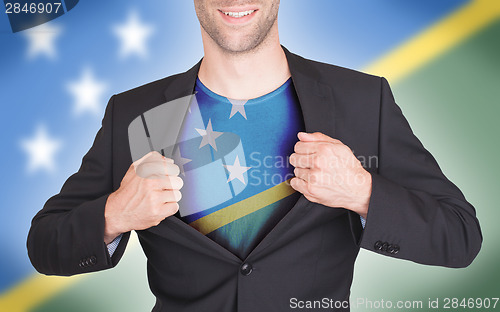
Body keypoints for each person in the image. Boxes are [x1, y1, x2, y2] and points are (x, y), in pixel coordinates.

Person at [27, 1, 482, 311]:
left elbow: (460, 237)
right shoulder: (134, 113)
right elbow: (44, 245)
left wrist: (363, 192)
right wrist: (114, 214)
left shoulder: (363, 100)